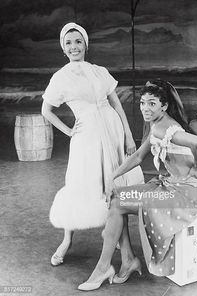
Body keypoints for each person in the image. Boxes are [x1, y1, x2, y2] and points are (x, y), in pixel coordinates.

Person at [78, 79, 197, 291]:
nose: (146, 108)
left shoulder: (166, 128)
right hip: (169, 186)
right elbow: (137, 156)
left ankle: (106, 267)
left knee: (117, 204)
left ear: (163, 106)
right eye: (143, 103)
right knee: (117, 198)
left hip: (183, 196)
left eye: (152, 103)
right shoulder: (157, 125)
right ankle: (126, 260)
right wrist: (112, 177)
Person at [41, 22, 143, 266]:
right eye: (68, 43)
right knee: (80, 184)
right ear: (63, 49)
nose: (74, 47)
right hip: (86, 138)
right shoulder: (60, 77)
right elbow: (46, 110)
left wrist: (129, 136)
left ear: (86, 44)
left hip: (113, 131)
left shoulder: (100, 71)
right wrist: (68, 131)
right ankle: (67, 240)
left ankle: (116, 235)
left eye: (78, 41)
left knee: (114, 183)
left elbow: (116, 104)